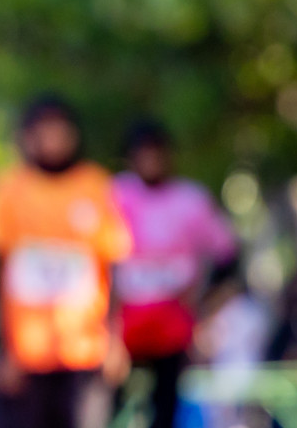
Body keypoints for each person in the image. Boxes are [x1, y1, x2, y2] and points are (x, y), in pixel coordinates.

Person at [0, 97, 131, 428]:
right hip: (24, 355)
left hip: (85, 350)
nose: (53, 140)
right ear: (27, 136)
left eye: (60, 131)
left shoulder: (96, 185)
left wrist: (116, 340)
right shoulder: (5, 189)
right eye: (43, 131)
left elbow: (113, 266)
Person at [111, 120, 237, 428]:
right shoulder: (114, 196)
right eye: (143, 154)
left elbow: (228, 257)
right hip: (122, 328)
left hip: (173, 328)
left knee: (166, 409)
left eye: (157, 153)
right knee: (112, 406)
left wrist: (205, 307)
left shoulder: (191, 200)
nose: (151, 162)